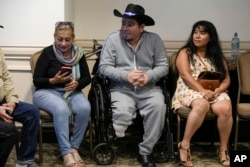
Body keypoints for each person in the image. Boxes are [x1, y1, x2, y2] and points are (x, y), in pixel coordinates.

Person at [98, 4, 169, 167]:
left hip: (149, 88)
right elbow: (104, 67)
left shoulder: (154, 40)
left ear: (142, 27)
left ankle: (145, 152)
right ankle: (117, 135)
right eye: (123, 23)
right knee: (121, 115)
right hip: (121, 88)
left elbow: (164, 66)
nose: (125, 28)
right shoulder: (113, 39)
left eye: (130, 25)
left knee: (158, 106)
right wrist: (125, 75)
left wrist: (148, 76)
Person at [172, 20, 233, 167]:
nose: (197, 36)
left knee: (225, 108)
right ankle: (184, 145)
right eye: (195, 32)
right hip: (189, 89)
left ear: (210, 37)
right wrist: (203, 91)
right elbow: (185, 75)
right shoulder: (185, 52)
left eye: (203, 33)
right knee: (202, 104)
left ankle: (223, 149)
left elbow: (226, 79)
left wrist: (219, 89)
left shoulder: (217, 56)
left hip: (214, 90)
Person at [32, 21, 91, 167]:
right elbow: (37, 80)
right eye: (60, 39)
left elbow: (87, 78)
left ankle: (74, 147)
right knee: (61, 109)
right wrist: (52, 80)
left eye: (67, 39)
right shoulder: (47, 53)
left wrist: (78, 84)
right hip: (46, 92)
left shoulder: (79, 53)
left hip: (72, 91)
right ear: (54, 37)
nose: (63, 43)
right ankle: (65, 153)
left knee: (85, 108)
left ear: (73, 38)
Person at [0, 49, 40, 167]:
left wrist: (12, 100)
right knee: (9, 131)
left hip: (3, 102)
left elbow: (6, 79)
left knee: (32, 112)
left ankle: (25, 161)